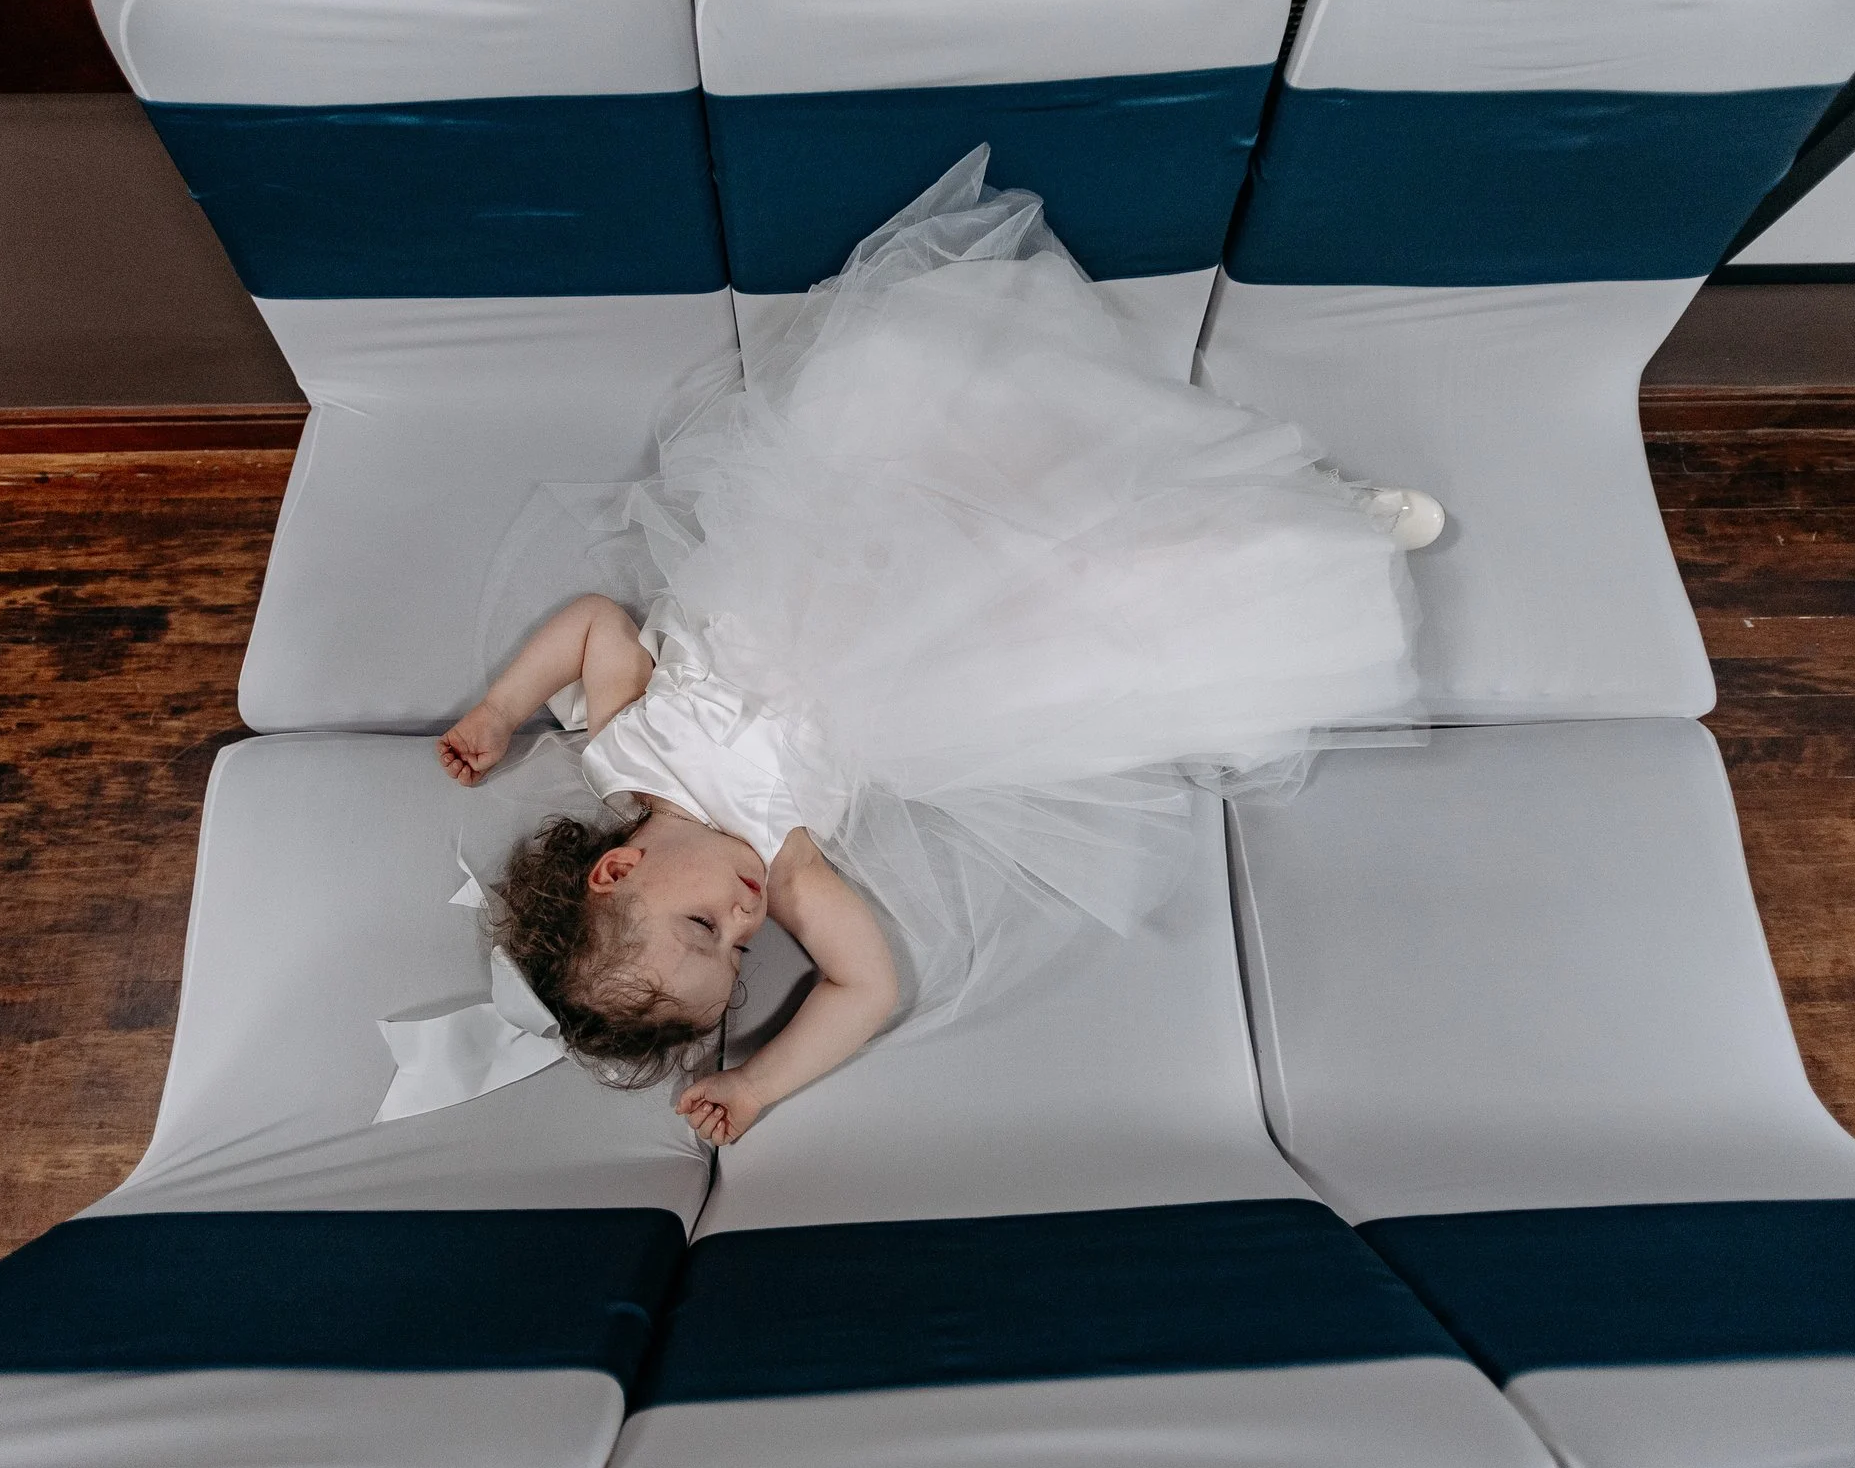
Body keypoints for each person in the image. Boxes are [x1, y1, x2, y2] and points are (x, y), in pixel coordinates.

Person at [441, 147, 1437, 1144]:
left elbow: (595, 622)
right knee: (1110, 611)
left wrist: (500, 709)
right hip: (932, 660)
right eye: (739, 955)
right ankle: (1314, 529)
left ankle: (1178, 453)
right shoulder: (788, 867)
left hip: (821, 545)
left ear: (615, 871)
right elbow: (866, 987)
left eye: (705, 926)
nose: (745, 923)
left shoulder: (622, 745)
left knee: (896, 385)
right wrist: (758, 1085)